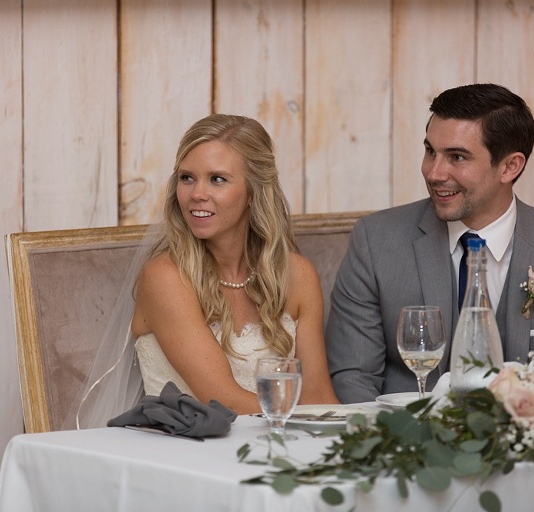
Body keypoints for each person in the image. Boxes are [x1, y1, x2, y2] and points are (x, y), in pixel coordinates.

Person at [325, 83, 534, 404]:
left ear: (509, 166)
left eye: (456, 157)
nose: (434, 173)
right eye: (430, 151)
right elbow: (353, 376)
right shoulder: (374, 241)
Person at [69, 114, 338, 428]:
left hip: (278, 449)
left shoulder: (297, 275)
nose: (196, 193)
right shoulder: (165, 278)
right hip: (187, 456)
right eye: (187, 178)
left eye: (217, 179)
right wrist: (308, 420)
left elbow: (319, 396)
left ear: (253, 192)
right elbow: (222, 399)